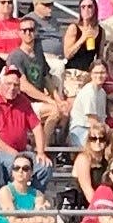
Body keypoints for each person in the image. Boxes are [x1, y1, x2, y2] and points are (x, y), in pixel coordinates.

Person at [0, 64, 53, 192]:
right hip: (0, 153)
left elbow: (37, 127)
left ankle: (32, 198)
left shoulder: (23, 101)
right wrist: (15, 154)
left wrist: (41, 152)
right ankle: (13, 198)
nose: (12, 88)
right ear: (0, 83)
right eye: (8, 84)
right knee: (17, 166)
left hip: (22, 151)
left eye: (16, 85)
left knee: (45, 166)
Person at [7, 16, 68, 148]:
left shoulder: (38, 53)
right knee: (54, 111)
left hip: (39, 101)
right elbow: (24, 86)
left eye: (31, 29)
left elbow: (46, 79)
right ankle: (42, 148)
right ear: (19, 33)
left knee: (65, 111)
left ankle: (51, 146)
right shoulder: (16, 56)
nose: (28, 33)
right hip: (24, 102)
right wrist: (49, 100)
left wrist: (58, 99)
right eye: (24, 30)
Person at [63, 0, 105, 97]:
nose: (86, 10)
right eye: (83, 7)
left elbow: (100, 56)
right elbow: (67, 54)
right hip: (73, 73)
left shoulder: (100, 31)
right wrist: (82, 39)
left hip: (89, 74)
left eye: (90, 6)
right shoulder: (74, 28)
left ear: (95, 9)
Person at [71, 123, 111, 205]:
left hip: (102, 202)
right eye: (93, 138)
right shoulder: (83, 158)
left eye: (102, 139)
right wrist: (99, 209)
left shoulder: (106, 160)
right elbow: (87, 190)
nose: (97, 142)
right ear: (88, 141)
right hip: (83, 204)